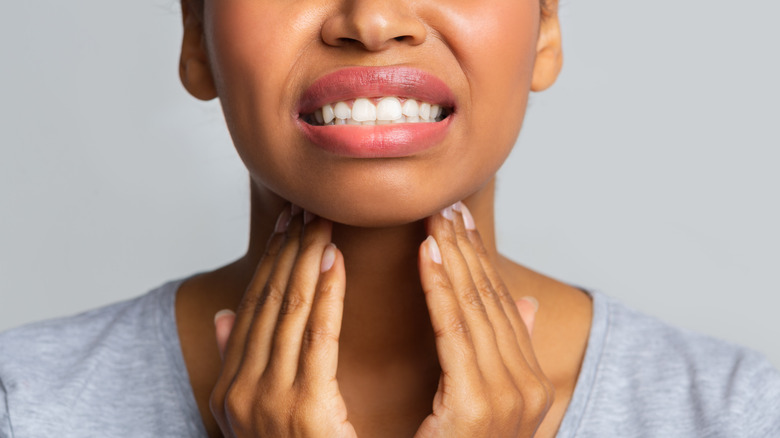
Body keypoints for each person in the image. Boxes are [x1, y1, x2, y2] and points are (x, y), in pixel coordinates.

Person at [1, 0, 778, 436]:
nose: (372, 20)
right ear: (195, 37)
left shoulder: (744, 416)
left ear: (544, 26)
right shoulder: (23, 402)